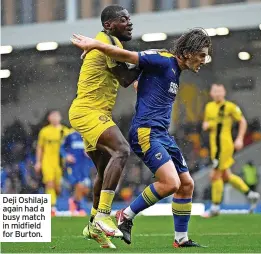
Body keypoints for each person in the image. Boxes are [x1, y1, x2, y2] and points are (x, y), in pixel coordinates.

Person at [71, 27, 212, 248]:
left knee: (186, 184)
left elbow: (143, 83)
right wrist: (95, 44)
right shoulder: (163, 60)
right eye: (202, 55)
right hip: (146, 132)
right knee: (171, 183)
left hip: (162, 134)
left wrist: (140, 85)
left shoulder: (174, 69)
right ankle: (124, 216)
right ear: (188, 52)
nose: (204, 60)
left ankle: (181, 239)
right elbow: (128, 56)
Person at [68, 4, 140, 248]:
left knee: (103, 170)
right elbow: (126, 79)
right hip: (89, 111)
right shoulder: (108, 43)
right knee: (122, 150)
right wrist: (151, 60)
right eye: (123, 19)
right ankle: (103, 216)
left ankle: (92, 224)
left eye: (129, 19)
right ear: (109, 25)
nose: (129, 23)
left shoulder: (107, 43)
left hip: (88, 111)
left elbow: (125, 76)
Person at [201, 83, 260, 218]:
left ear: (224, 92)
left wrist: (239, 138)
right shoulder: (209, 107)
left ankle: (215, 207)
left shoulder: (230, 107)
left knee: (214, 176)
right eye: (214, 91)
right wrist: (206, 125)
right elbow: (206, 124)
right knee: (226, 176)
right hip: (214, 146)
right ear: (211, 93)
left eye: (219, 91)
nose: (217, 93)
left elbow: (243, 121)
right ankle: (251, 195)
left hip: (224, 146)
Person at [35, 110, 70, 215]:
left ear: (60, 118)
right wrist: (38, 162)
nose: (54, 118)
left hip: (60, 163)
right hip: (47, 161)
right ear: (49, 118)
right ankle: (52, 207)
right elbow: (40, 148)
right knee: (49, 183)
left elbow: (70, 146)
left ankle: (55, 202)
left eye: (56, 116)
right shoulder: (44, 131)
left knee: (57, 187)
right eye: (52, 116)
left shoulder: (65, 131)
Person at [60, 129, 95, 215]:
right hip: (73, 166)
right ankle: (79, 208)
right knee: (79, 185)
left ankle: (74, 200)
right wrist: (66, 155)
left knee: (86, 189)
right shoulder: (70, 134)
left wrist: (90, 152)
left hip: (85, 167)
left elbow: (94, 149)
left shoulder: (88, 135)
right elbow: (62, 147)